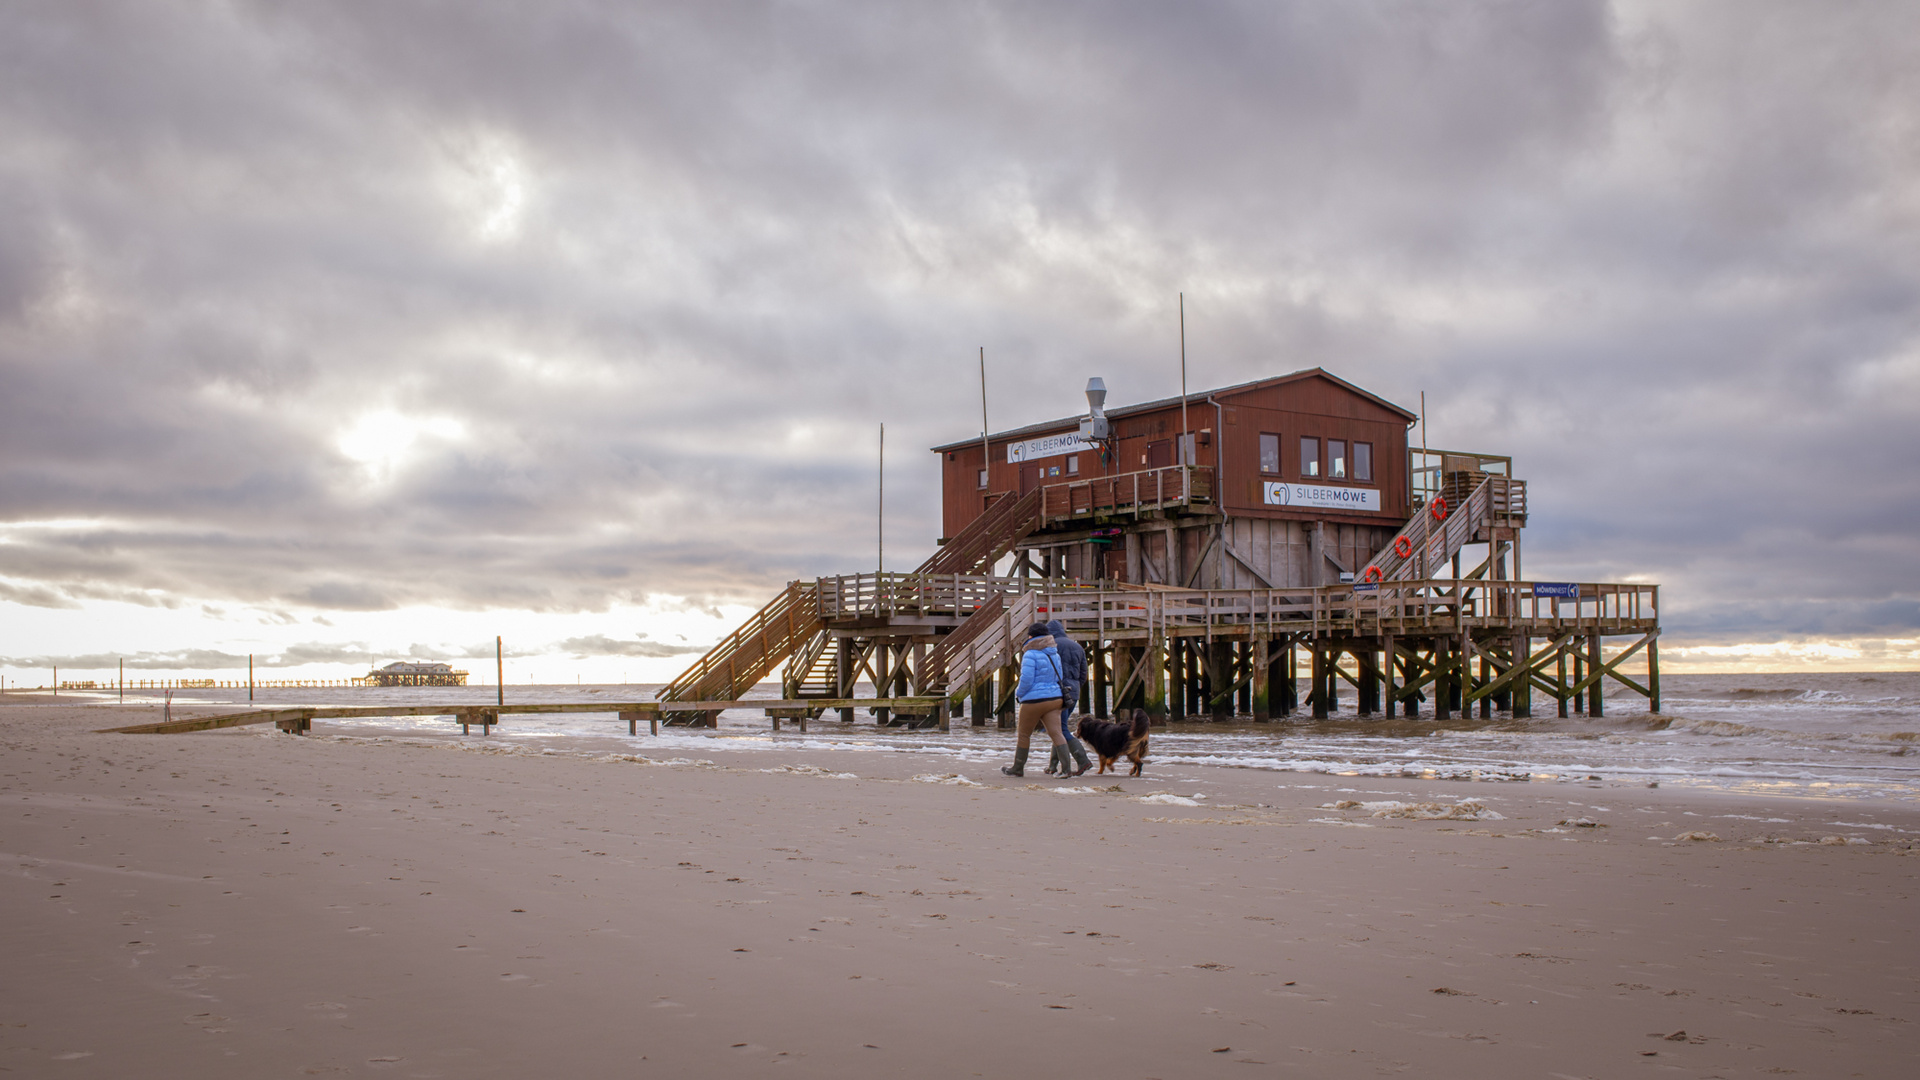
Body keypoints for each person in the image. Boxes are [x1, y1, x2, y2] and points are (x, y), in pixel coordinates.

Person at [1001, 623, 1069, 778]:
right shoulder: (1054, 653)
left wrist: (1019, 693)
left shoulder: (1030, 654)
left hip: (1034, 700)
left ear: (1031, 636)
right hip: (1055, 698)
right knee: (1056, 733)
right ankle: (1066, 769)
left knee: (1024, 734)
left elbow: (1026, 679)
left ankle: (1018, 768)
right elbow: (1060, 676)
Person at [1043, 619, 1094, 777]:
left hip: (1058, 692)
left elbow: (1047, 672)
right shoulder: (1077, 646)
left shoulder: (1052, 647)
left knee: (1060, 729)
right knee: (1058, 728)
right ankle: (1052, 765)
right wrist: (1076, 687)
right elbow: (1083, 673)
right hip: (1073, 692)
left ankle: (1083, 760)